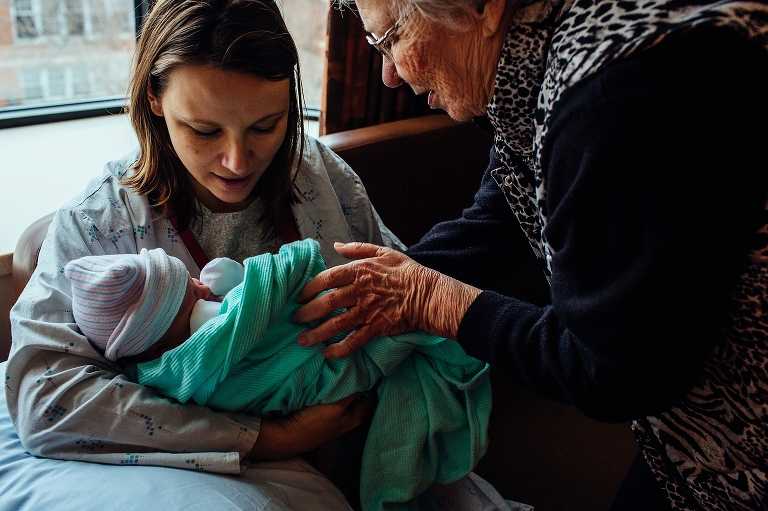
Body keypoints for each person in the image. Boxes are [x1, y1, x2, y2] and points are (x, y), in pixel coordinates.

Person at [292, 1, 768, 510]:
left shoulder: (610, 97)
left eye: (391, 40)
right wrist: (364, 292)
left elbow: (615, 369)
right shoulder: (536, 54)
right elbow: (502, 211)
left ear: (483, 7)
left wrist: (436, 301)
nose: (388, 75)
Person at [5, 0, 403, 478]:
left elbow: (400, 286)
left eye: (266, 126)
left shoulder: (322, 178)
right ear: (154, 98)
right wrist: (270, 438)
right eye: (204, 130)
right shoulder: (99, 223)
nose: (237, 161)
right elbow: (45, 400)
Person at [62, 241, 492, 511]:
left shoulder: (156, 378)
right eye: (190, 291)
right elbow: (271, 280)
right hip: (336, 367)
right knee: (390, 348)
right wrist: (255, 278)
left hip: (331, 391)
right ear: (155, 343)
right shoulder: (211, 324)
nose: (203, 287)